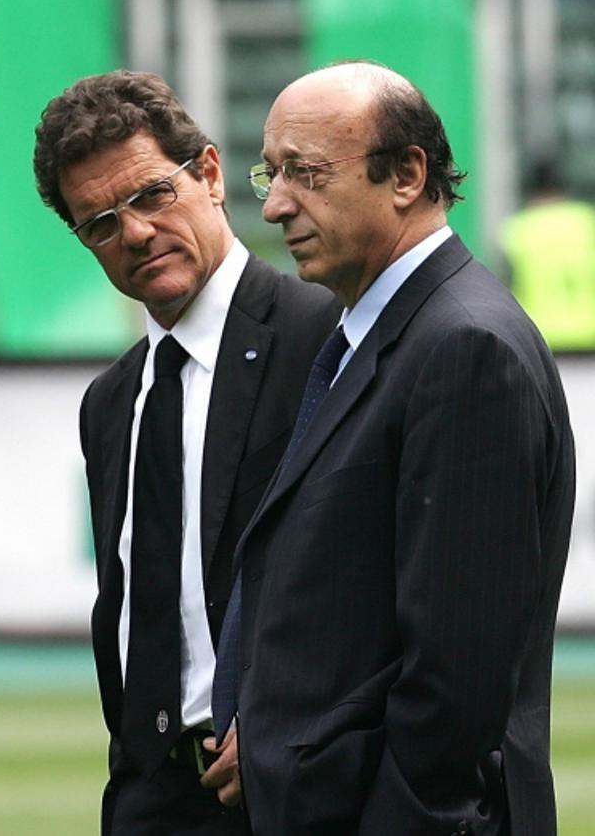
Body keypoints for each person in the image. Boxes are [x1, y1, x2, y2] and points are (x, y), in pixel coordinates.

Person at [220, 61, 575, 834]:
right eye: (270, 173)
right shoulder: (383, 333)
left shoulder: (464, 348)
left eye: (305, 172)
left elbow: (455, 685)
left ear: (407, 174)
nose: (276, 203)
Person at [32, 70, 339, 834]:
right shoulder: (110, 402)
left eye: (149, 196)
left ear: (208, 173)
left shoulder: (327, 339)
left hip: (292, 791)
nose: (133, 232)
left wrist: (299, 735)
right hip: (150, 796)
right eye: (99, 221)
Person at [500, 158, 595, 350]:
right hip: (589, 335)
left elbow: (504, 287)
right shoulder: (587, 222)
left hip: (541, 340)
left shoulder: (517, 230)